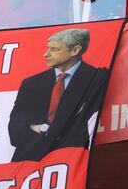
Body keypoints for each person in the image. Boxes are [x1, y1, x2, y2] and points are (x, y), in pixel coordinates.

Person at [8, 28, 109, 162]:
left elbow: (86, 128)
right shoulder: (31, 84)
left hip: (73, 161)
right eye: (47, 48)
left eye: (54, 49)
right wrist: (40, 128)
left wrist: (34, 127)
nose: (45, 54)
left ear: (75, 50)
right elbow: (15, 133)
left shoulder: (97, 78)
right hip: (29, 162)